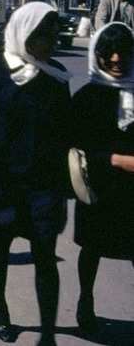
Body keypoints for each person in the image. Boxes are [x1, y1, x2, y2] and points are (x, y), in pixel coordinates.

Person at [0, 2, 72, 346]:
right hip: (2, 178)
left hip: (44, 183)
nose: (50, 40)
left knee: (45, 256)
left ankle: (47, 332)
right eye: (42, 33)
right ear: (24, 32)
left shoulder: (56, 74)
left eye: (53, 32)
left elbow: (67, 127)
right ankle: (1, 309)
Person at [71, 22, 134, 334]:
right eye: (107, 52)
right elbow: (74, 148)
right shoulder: (86, 97)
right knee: (92, 248)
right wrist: (117, 160)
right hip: (100, 186)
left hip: (133, 191)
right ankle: (85, 299)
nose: (115, 58)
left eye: (122, 52)